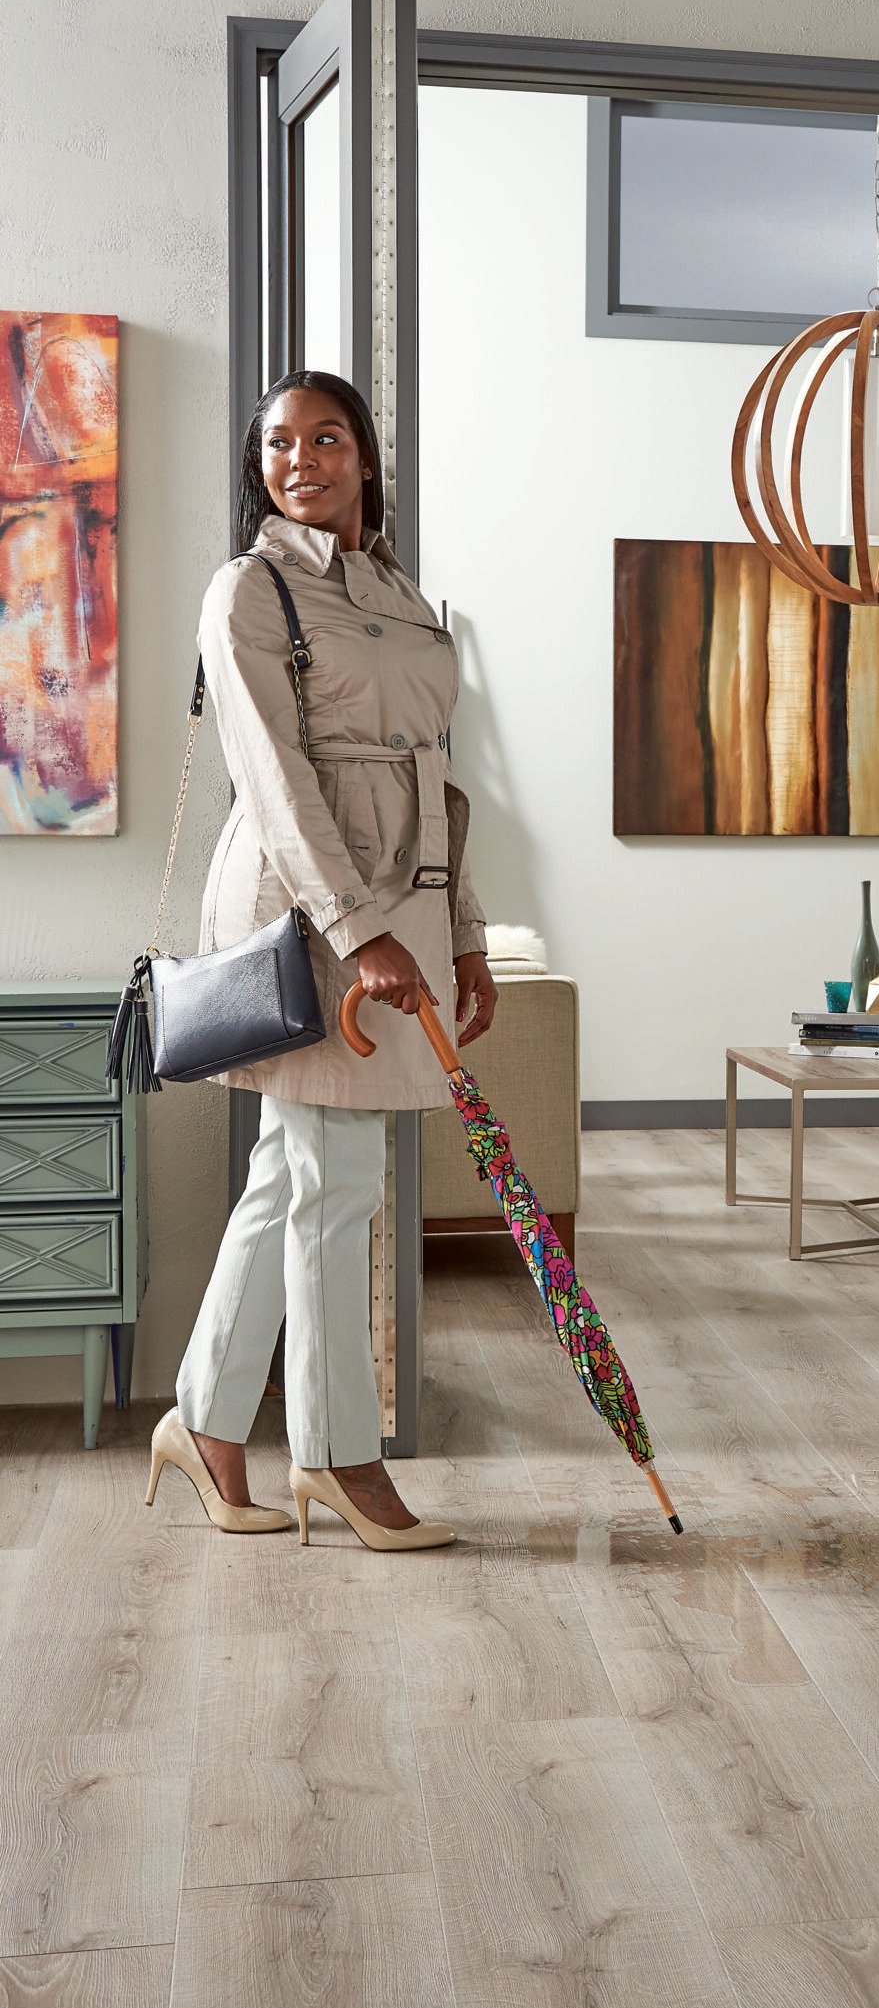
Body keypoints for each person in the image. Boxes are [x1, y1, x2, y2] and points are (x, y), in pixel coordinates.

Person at [146, 370, 495, 1548]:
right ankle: (342, 1456)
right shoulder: (249, 589)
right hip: (306, 913)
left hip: (406, 913)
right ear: (258, 467)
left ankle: (202, 1421)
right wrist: (358, 930)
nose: (301, 458)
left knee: (292, 1178)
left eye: (327, 436)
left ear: (364, 457)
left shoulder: (407, 599)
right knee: (335, 1184)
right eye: (279, 442)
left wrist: (468, 935)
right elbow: (275, 778)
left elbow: (443, 785)